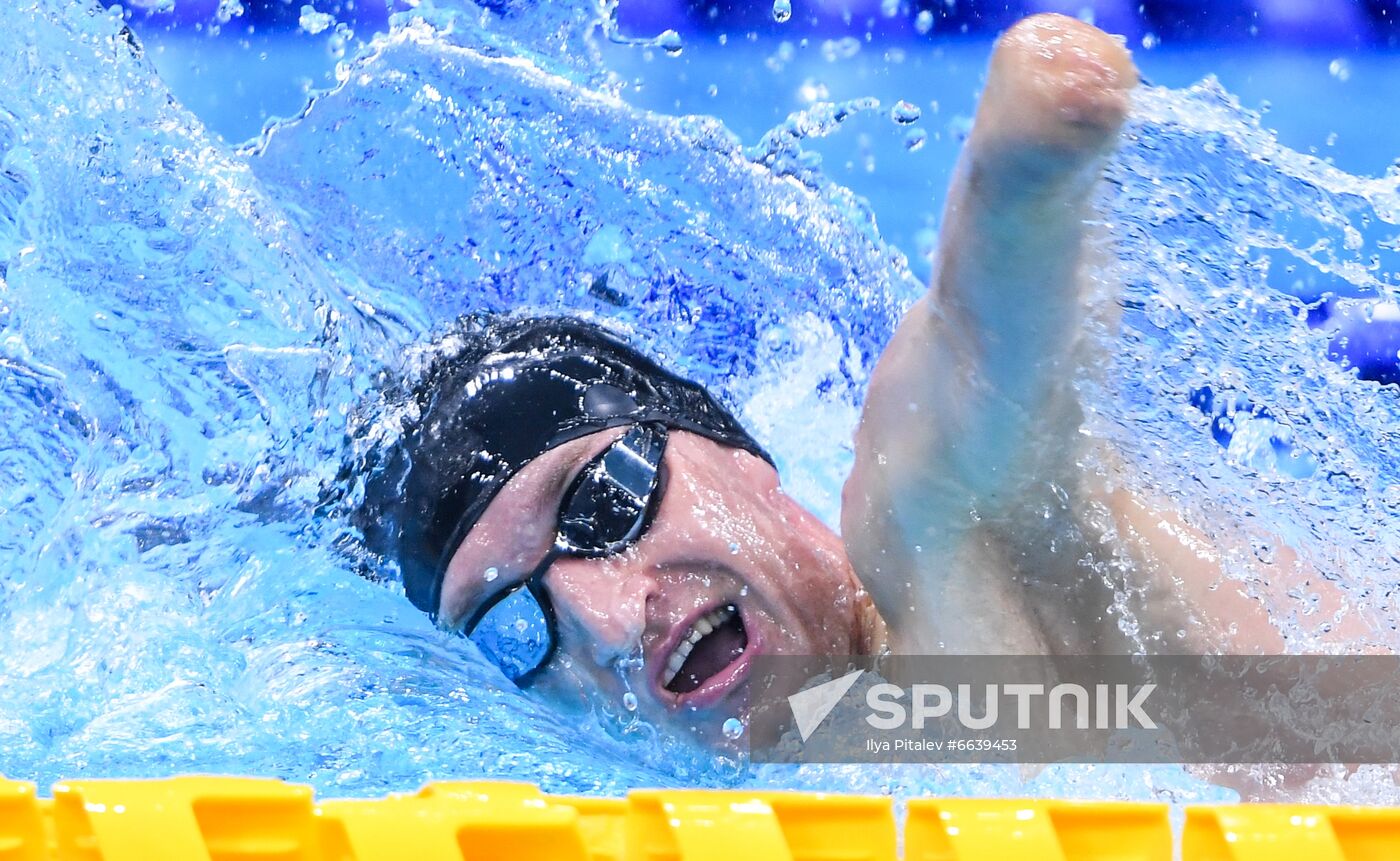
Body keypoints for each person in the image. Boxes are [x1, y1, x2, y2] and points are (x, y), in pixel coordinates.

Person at [353, 14, 1360, 746]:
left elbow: (969, 371)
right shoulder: (823, 757)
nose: (607, 620)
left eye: (600, 501)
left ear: (730, 444)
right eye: (513, 626)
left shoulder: (932, 543)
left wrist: (1015, 176)